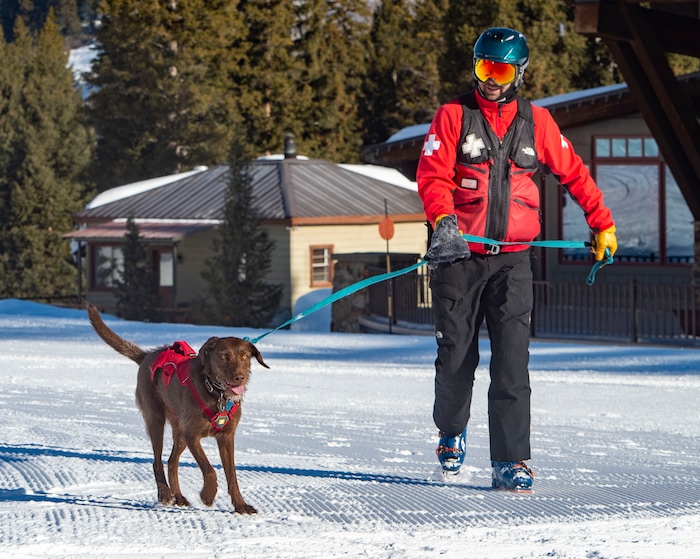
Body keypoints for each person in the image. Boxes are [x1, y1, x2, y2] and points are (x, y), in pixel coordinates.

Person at [416, 27, 617, 491]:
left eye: (500, 69)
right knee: (455, 359)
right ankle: (451, 430)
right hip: (458, 257)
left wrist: (601, 222)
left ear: (518, 73)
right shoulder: (453, 116)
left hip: (513, 263)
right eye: (483, 66)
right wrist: (443, 221)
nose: (490, 79)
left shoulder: (537, 122)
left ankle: (511, 460)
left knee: (511, 364)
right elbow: (432, 175)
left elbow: (575, 173)